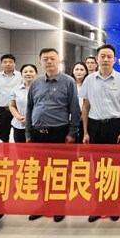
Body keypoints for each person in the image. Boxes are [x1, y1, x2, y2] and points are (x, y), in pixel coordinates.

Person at [25, 48, 81, 223]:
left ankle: (58, 205)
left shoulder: (68, 82)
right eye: (45, 59)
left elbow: (75, 110)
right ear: (40, 62)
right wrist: (28, 132)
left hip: (59, 132)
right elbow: (29, 108)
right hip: (37, 133)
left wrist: (72, 133)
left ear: (59, 61)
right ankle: (43, 204)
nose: (49, 62)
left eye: (52, 58)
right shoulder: (36, 83)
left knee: (59, 171)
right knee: (40, 171)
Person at [80, 44, 120, 223]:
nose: (106, 59)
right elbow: (85, 106)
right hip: (95, 126)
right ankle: (99, 205)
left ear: (115, 59)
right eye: (102, 56)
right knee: (97, 168)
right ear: (97, 59)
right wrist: (85, 131)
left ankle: (114, 205)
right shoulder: (89, 80)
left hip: (115, 125)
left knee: (115, 167)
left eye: (109, 56)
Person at [0, 53, 21, 142]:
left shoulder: (21, 76)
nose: (8, 64)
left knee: (20, 136)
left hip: (19, 110)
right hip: (3, 110)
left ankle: (20, 151)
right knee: (2, 136)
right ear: (1, 64)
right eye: (5, 62)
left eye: (10, 62)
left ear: (15, 64)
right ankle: (5, 151)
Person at [9, 63, 38, 143]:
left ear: (36, 73)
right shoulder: (15, 89)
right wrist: (19, 117)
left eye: (31, 71)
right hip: (20, 124)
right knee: (20, 149)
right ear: (21, 74)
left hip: (36, 125)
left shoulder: (41, 89)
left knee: (35, 149)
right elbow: (12, 106)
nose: (28, 73)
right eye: (25, 72)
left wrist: (29, 119)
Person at [71, 61, 89, 142]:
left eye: (82, 70)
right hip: (71, 120)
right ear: (73, 71)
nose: (79, 72)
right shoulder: (68, 84)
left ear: (86, 72)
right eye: (77, 69)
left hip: (86, 119)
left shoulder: (89, 85)